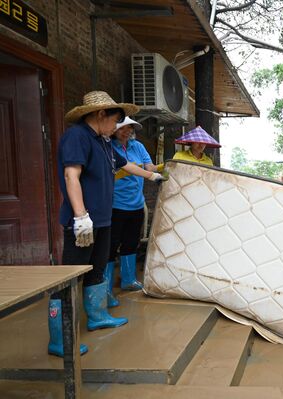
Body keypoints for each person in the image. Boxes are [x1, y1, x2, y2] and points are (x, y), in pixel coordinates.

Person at [48, 91, 167, 358]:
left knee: (98, 270)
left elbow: (127, 165)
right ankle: (60, 339)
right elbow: (71, 176)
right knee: (69, 278)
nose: (117, 128)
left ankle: (97, 315)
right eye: (115, 121)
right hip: (83, 223)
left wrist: (153, 176)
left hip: (103, 220)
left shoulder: (102, 142)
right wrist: (80, 216)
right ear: (100, 114)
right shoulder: (77, 137)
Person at [104, 117, 163, 307]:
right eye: (122, 128)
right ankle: (105, 289)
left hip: (136, 204)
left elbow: (150, 168)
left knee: (131, 243)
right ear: (113, 129)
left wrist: (166, 165)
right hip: (114, 204)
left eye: (129, 128)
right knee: (110, 247)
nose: (127, 131)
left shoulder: (137, 146)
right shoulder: (107, 147)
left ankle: (128, 280)